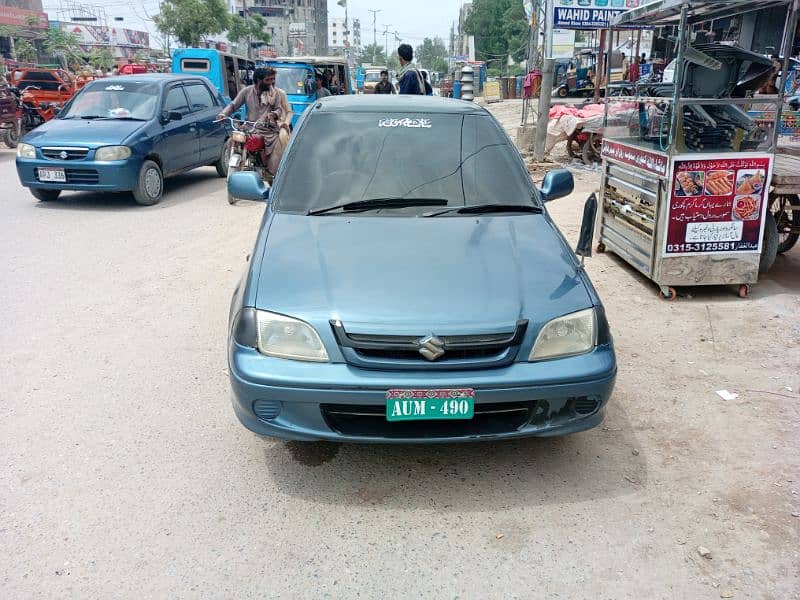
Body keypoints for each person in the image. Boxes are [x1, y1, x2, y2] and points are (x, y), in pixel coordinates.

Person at [217, 67, 293, 178]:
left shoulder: (275, 93)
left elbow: (279, 109)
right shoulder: (246, 91)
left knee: (278, 144)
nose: (271, 82)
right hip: (249, 127)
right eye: (268, 80)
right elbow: (233, 105)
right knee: (231, 140)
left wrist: (273, 114)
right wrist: (223, 114)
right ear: (258, 80)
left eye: (272, 79)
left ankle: (272, 171)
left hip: (267, 128)